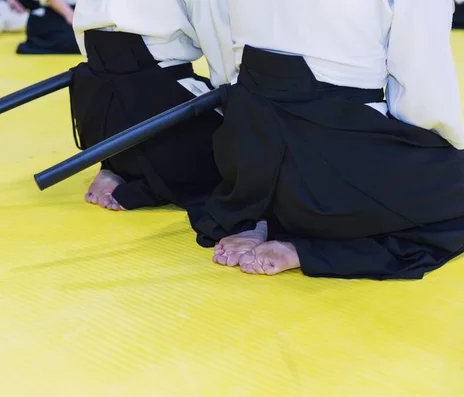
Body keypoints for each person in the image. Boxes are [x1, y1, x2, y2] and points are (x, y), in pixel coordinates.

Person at [195, 0, 464, 280]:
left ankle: (260, 215)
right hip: (330, 165)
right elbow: (423, 99)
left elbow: (223, 58)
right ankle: (311, 247)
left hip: (246, 153)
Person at [70, 0, 234, 221]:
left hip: (97, 115)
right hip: (154, 110)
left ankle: (114, 166)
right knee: (244, 135)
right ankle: (151, 182)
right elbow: (221, 49)